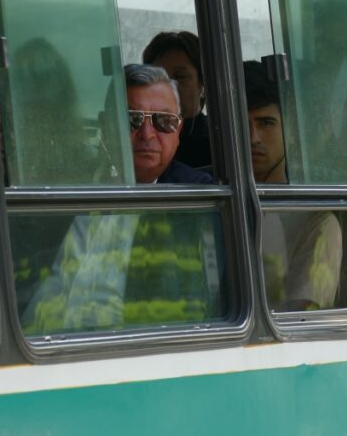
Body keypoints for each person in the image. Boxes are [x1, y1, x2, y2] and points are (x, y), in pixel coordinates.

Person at [21, 64, 218, 333]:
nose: (147, 134)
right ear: (105, 123)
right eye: (132, 119)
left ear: (179, 130)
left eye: (163, 121)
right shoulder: (73, 183)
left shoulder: (197, 198)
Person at [243, 60, 342, 311]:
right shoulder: (204, 197)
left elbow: (303, 317)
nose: (253, 138)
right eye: (241, 124)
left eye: (266, 123)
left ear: (292, 130)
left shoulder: (316, 221)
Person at [143, 31, 210, 169]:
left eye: (179, 76)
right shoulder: (139, 136)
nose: (168, 85)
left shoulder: (217, 144)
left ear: (202, 83)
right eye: (158, 75)